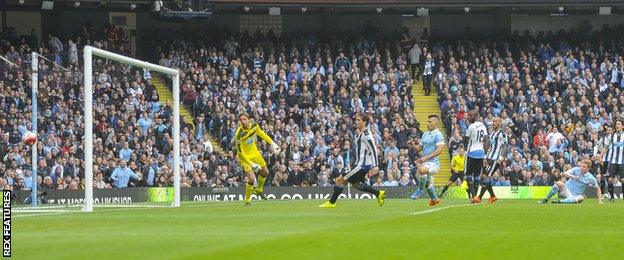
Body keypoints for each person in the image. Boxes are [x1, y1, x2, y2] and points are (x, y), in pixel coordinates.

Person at [319, 113, 385, 208]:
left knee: (339, 180)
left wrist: (375, 165)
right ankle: (378, 193)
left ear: (365, 122)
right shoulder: (362, 133)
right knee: (356, 185)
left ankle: (331, 203)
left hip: (361, 166)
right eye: (356, 120)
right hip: (361, 165)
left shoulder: (366, 134)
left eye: (359, 120)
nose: (356, 121)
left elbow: (373, 148)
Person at [234, 113, 280, 206]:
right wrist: (252, 164)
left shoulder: (254, 126)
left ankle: (259, 190)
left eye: (245, 119)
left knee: (265, 172)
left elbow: (262, 134)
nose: (243, 121)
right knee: (251, 178)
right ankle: (247, 201)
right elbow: (240, 153)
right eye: (241, 120)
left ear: (249, 119)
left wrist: (273, 143)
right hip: (245, 157)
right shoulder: (238, 134)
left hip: (255, 153)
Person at [409, 115, 444, 206]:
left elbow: (439, 150)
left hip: (433, 163)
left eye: (430, 122)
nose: (428, 124)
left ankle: (420, 190)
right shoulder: (425, 134)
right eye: (427, 121)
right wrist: (412, 145)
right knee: (427, 182)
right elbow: (419, 148)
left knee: (421, 170)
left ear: (436, 124)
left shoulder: (438, 134)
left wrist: (425, 158)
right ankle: (434, 199)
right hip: (425, 162)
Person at [538, 159, 603, 204]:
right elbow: (565, 174)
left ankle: (560, 202)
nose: (581, 168)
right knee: (559, 183)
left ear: (588, 168)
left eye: (584, 167)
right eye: (581, 166)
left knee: (581, 198)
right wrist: (573, 176)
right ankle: (546, 199)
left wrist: (600, 201)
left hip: (575, 196)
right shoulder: (576, 169)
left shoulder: (590, 178)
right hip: (565, 191)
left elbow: (598, 188)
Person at [477, 117, 507, 203]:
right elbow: (489, 146)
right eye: (493, 121)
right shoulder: (492, 133)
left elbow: (505, 146)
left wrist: (501, 158)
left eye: (496, 121)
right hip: (489, 157)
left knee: (486, 176)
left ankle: (479, 197)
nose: (494, 123)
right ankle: (493, 196)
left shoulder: (502, 133)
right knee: (483, 176)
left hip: (495, 159)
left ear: (500, 122)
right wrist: (485, 157)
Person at [464, 109, 489, 203]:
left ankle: (474, 196)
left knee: (469, 175)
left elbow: (465, 139)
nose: (468, 117)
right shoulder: (483, 125)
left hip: (471, 153)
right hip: (481, 154)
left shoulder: (471, 126)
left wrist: (466, 149)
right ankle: (477, 197)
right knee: (477, 176)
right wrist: (485, 155)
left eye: (470, 116)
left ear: (475, 116)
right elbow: (486, 140)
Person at [603, 120, 624, 201]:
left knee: (622, 180)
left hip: (622, 161)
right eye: (616, 124)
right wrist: (601, 156)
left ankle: (622, 194)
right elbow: (606, 147)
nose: (617, 125)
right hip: (613, 161)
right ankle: (611, 196)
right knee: (610, 179)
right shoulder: (611, 136)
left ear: (622, 126)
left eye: (619, 124)